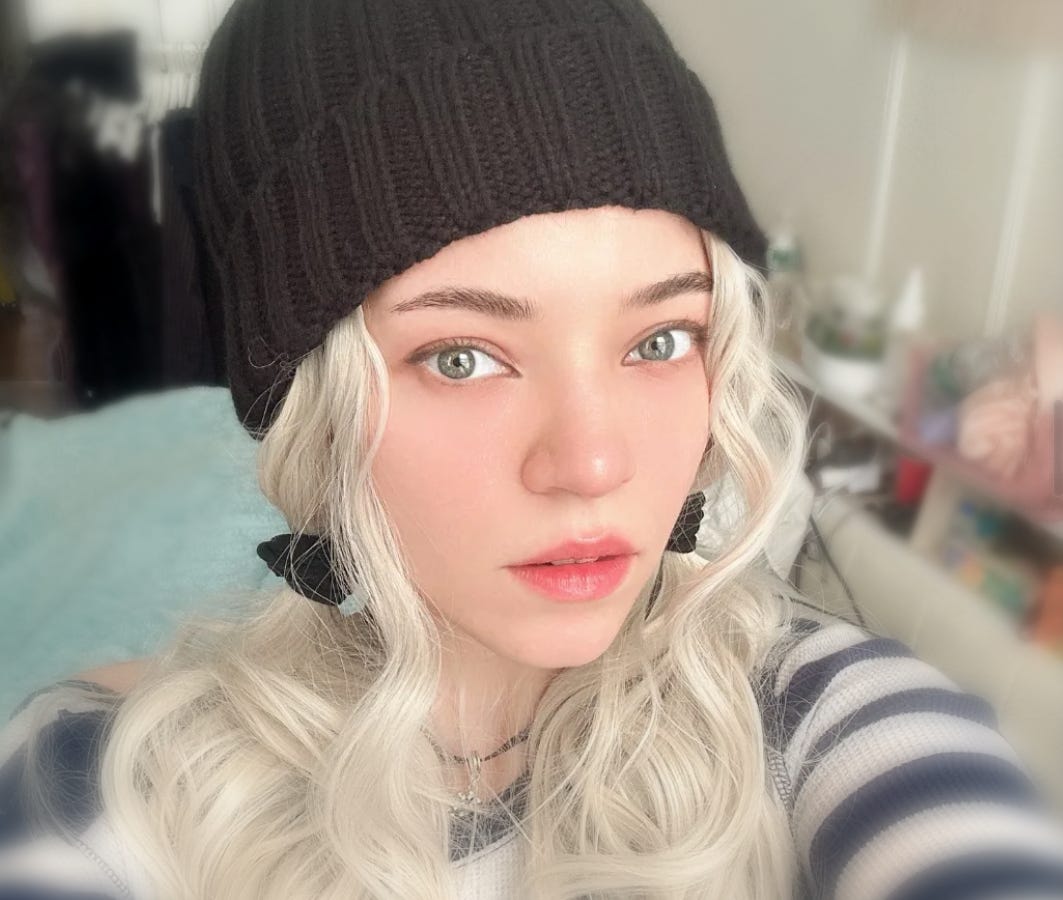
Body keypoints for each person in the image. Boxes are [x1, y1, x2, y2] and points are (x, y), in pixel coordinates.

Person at [2, 1, 1063, 898]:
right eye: (461, 357)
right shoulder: (97, 782)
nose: (593, 464)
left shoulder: (822, 713)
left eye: (659, 340)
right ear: (308, 410)